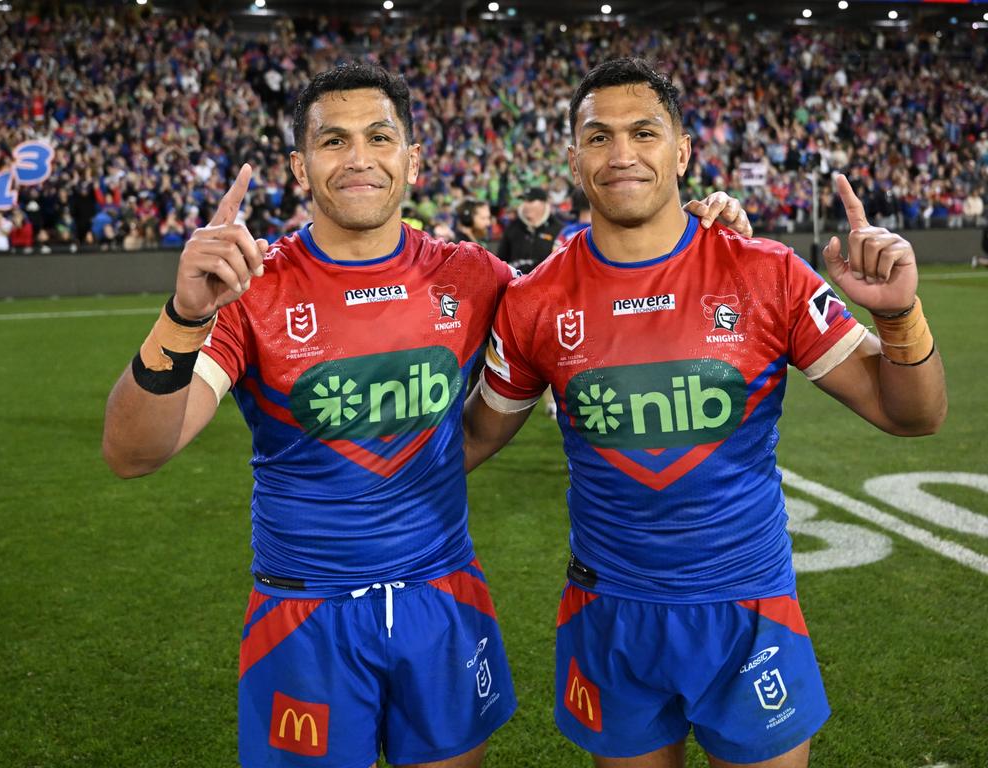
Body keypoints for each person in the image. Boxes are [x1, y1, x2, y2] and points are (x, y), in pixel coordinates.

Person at [102, 59, 751, 768]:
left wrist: (703, 240)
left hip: (441, 602)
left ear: (412, 160)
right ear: (299, 165)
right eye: (333, 141)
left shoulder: (474, 278)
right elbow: (134, 452)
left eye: (380, 138)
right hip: (304, 614)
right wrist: (184, 316)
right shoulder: (254, 289)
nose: (359, 159)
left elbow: (603, 291)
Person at [463, 58, 946, 768]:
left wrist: (900, 315)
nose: (621, 153)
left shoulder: (766, 271)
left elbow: (913, 416)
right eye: (598, 137)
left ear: (682, 150)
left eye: (644, 132)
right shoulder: (535, 301)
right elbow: (475, 435)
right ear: (572, 157)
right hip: (611, 608)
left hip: (748, 607)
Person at [495, 187, 563, 273]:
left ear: (543, 203)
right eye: (524, 201)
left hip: (546, 283)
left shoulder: (558, 229)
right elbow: (501, 260)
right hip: (516, 283)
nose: (525, 205)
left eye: (530, 201)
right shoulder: (512, 227)